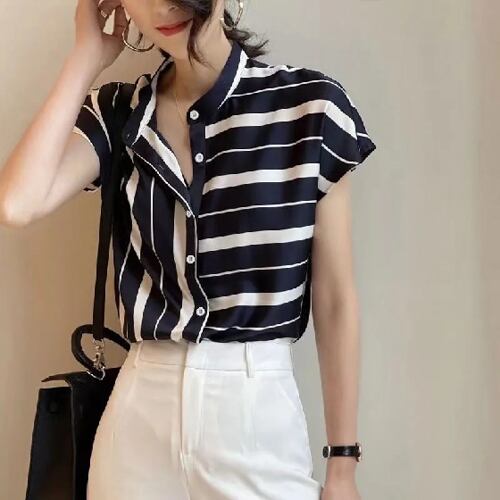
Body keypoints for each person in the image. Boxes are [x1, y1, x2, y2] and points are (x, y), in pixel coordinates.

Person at [0, 0, 376, 499]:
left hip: (255, 413)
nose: (162, 6)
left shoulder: (309, 109)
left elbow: (335, 300)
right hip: (138, 422)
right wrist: (87, 56)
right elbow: (17, 204)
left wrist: (343, 465)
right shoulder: (119, 113)